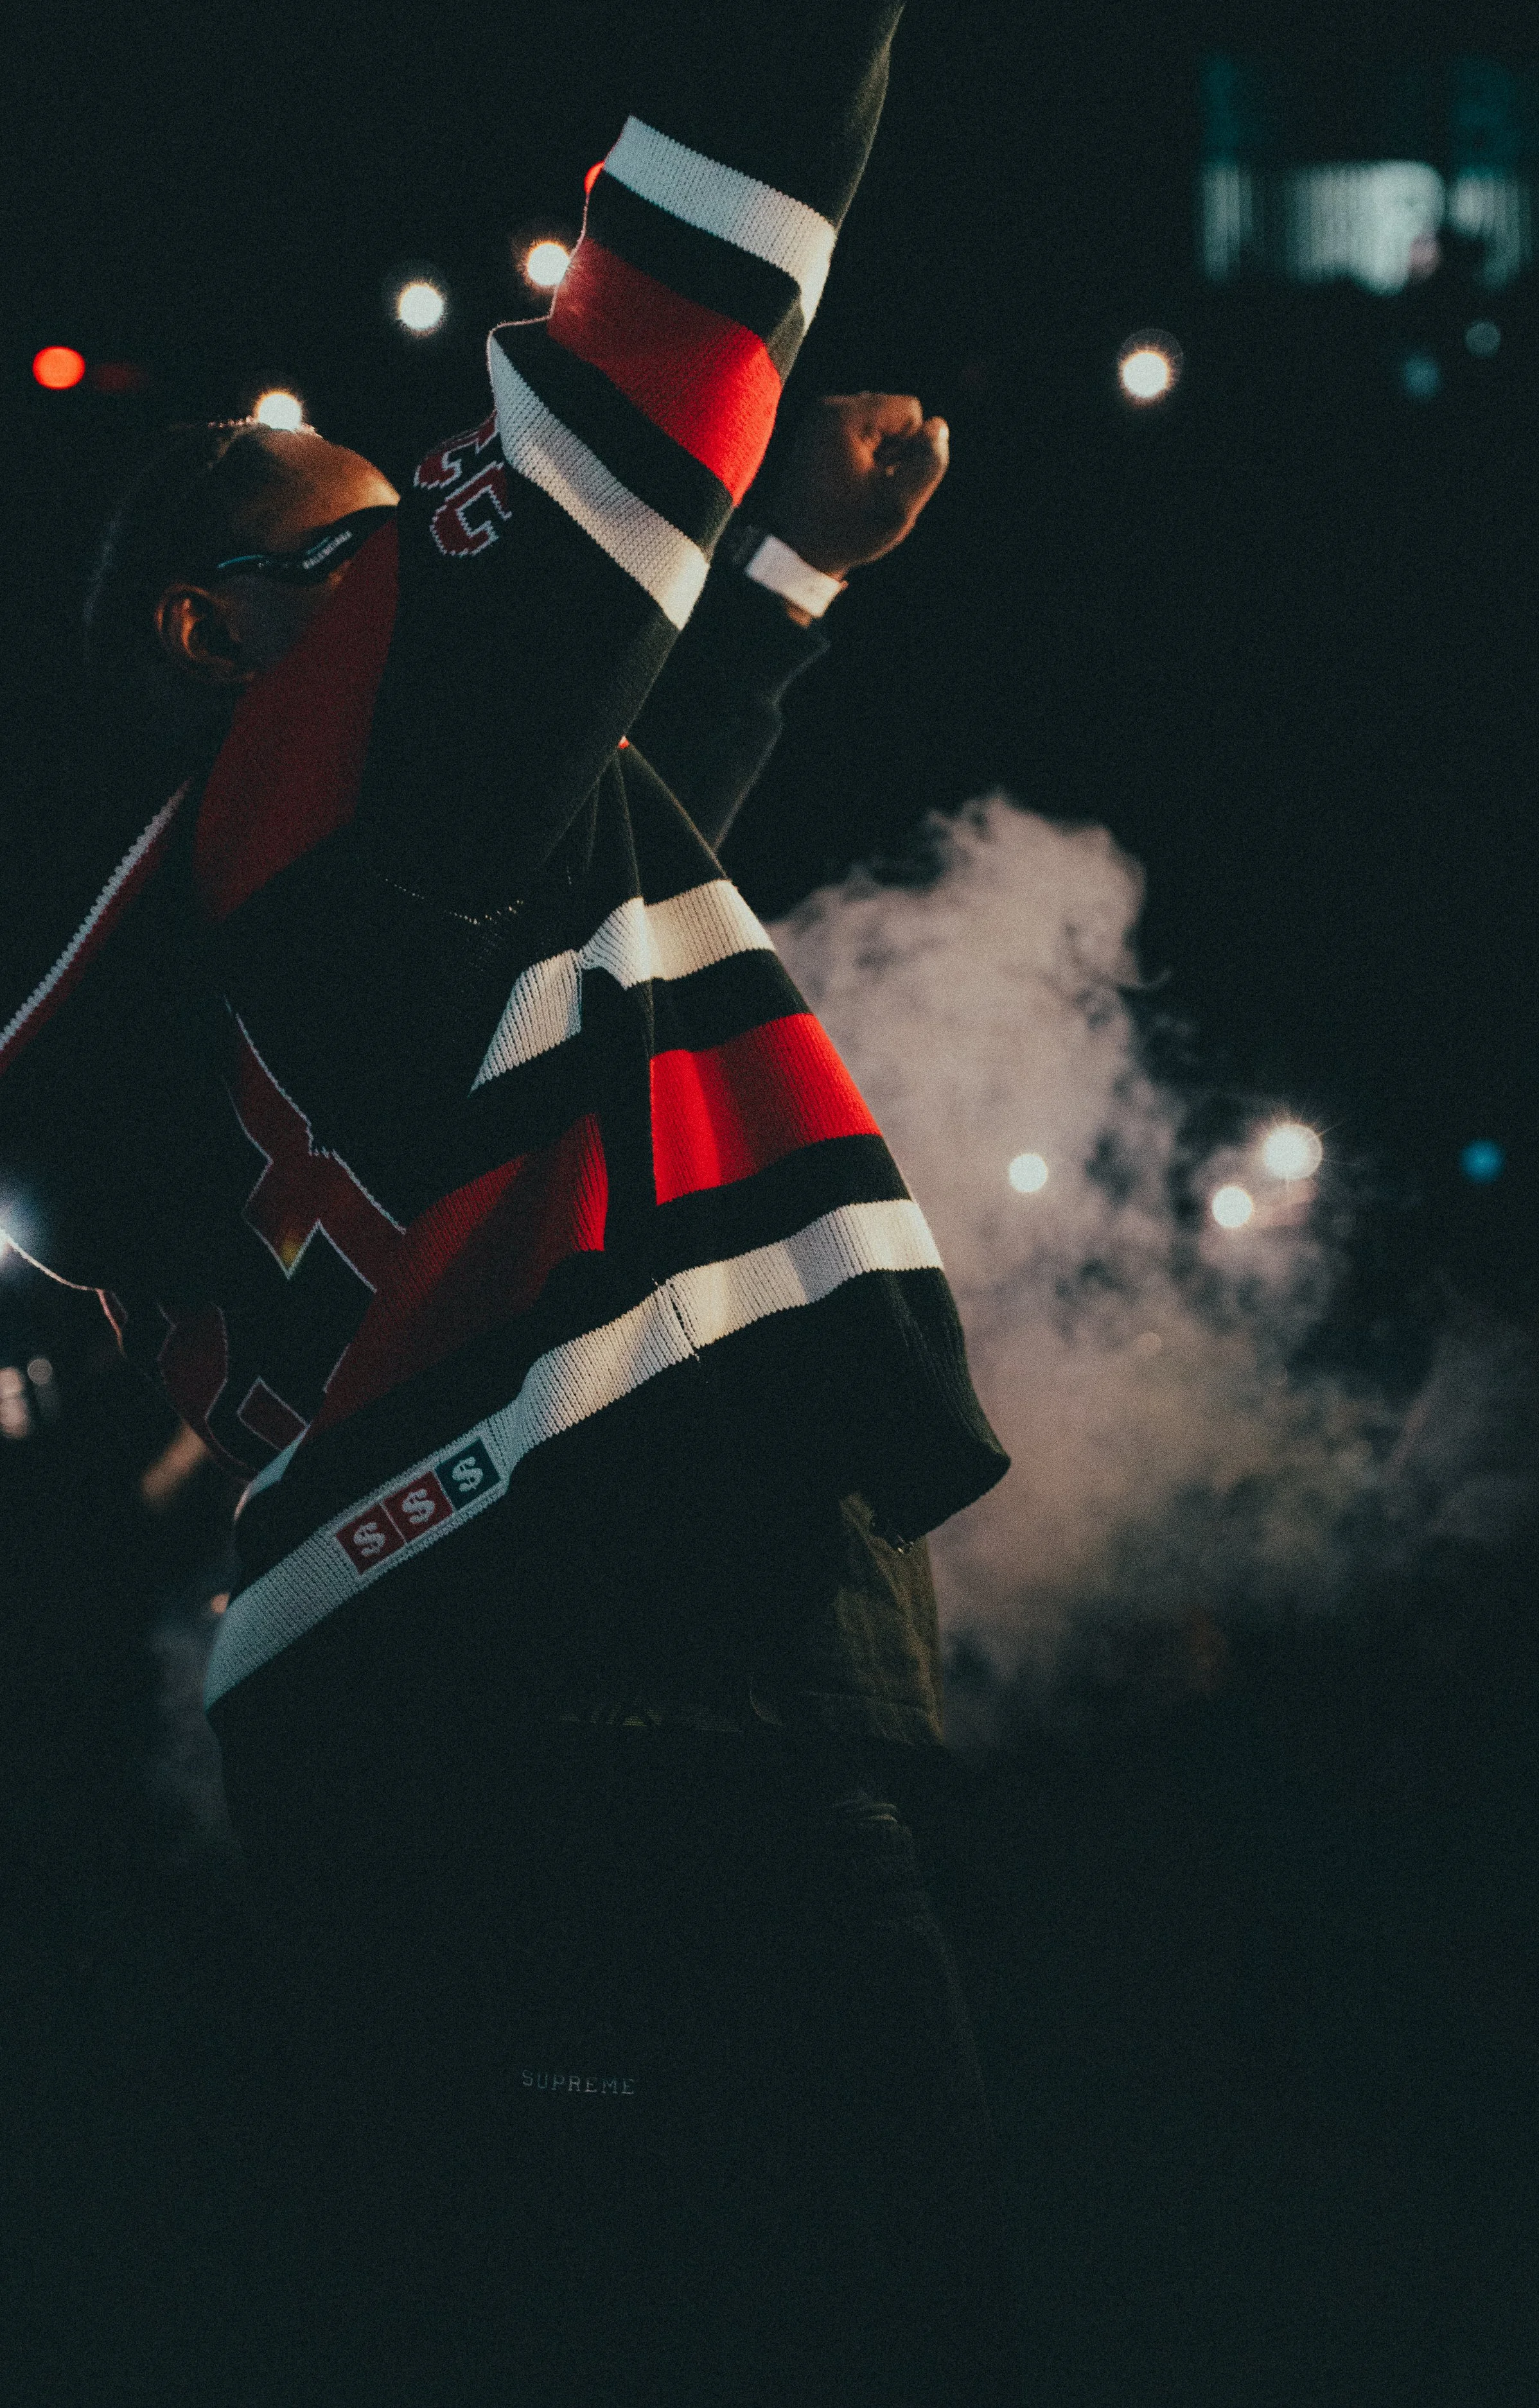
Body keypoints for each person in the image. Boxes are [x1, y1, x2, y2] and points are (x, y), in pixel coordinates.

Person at [1, 6, 1019, 2401]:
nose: (420, 579)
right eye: (367, 545)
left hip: (391, 1738)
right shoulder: (326, 754)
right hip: (633, 1661)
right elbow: (670, 312)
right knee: (886, 2323)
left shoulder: (197, 962)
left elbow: (546, 881)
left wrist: (778, 583)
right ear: (209, 629)